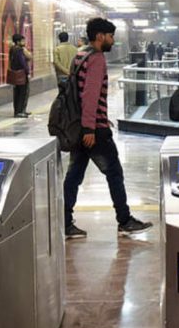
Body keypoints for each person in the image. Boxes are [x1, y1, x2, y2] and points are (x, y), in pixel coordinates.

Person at [62, 17, 153, 239]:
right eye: (110, 36)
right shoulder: (97, 59)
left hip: (85, 125)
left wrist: (96, 120)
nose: (112, 41)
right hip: (93, 130)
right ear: (100, 36)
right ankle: (124, 220)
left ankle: (63, 221)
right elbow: (90, 95)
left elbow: (81, 93)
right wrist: (90, 128)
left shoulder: (80, 54)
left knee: (74, 175)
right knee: (114, 172)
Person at [8, 33, 32, 118]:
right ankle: (20, 111)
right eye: (22, 40)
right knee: (23, 93)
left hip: (15, 73)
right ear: (18, 41)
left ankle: (18, 111)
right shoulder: (19, 50)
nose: (24, 42)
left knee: (17, 93)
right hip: (21, 74)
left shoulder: (12, 49)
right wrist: (28, 72)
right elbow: (23, 62)